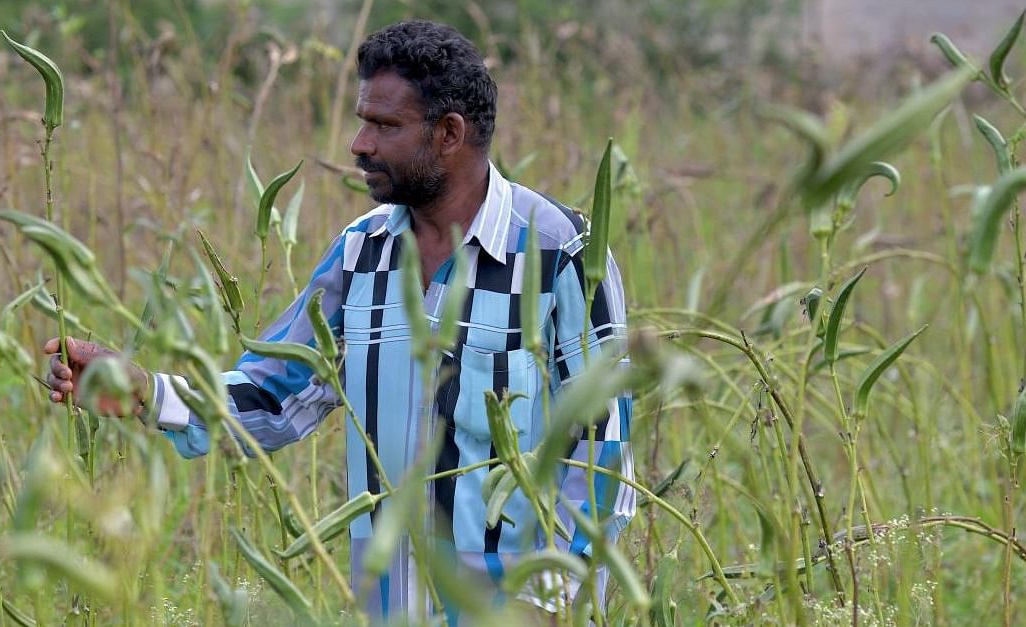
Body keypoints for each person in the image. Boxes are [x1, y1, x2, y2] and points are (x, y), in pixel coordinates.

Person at [44, 20, 635, 622]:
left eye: (384, 125)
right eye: (363, 121)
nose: (359, 143)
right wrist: (145, 390)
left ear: (449, 134)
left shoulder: (561, 252)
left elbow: (604, 452)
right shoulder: (362, 251)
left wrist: (547, 602)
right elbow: (274, 394)